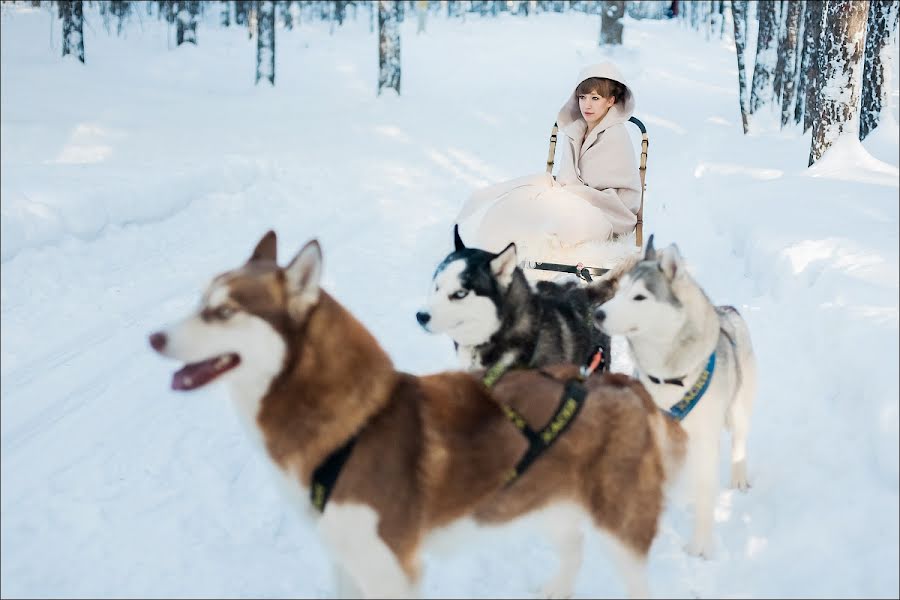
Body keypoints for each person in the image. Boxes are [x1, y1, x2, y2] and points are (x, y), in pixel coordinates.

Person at [455, 62, 641, 259]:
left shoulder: (615, 136)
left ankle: (509, 248)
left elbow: (612, 195)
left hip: (608, 213)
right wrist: (560, 189)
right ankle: (485, 238)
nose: (587, 105)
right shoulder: (577, 130)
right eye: (582, 97)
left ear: (610, 101)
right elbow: (567, 176)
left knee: (544, 214)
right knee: (520, 197)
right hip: (576, 199)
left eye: (595, 98)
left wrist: (565, 191)